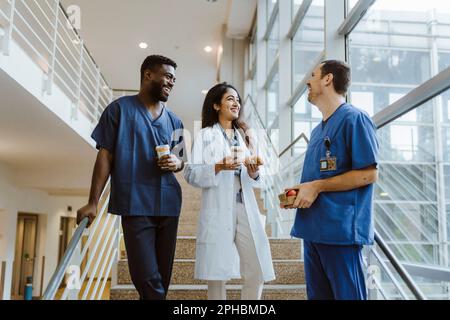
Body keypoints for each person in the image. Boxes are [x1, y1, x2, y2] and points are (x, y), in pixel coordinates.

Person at [76, 55, 185, 300]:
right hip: (135, 204)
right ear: (148, 74)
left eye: (174, 79)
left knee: (161, 281)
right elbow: (105, 156)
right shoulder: (119, 109)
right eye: (167, 76)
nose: (171, 83)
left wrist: (176, 163)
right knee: (146, 277)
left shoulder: (175, 120)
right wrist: (93, 201)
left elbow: (181, 162)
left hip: (168, 205)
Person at [282, 60, 379, 300]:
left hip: (340, 233)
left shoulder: (354, 118)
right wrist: (301, 190)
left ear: (328, 79)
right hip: (312, 231)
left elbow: (369, 173)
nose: (307, 80)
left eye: (313, 75)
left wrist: (316, 186)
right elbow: (321, 176)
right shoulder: (317, 131)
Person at [184, 82, 275, 300]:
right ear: (216, 105)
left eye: (237, 99)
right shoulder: (206, 135)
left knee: (257, 269)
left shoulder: (245, 136)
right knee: (216, 277)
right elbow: (190, 174)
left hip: (245, 206)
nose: (236, 103)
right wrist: (218, 166)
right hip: (218, 208)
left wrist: (253, 172)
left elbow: (257, 179)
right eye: (230, 99)